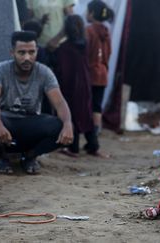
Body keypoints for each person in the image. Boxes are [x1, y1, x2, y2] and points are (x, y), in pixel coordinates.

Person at [0, 31, 73, 174]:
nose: (27, 58)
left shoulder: (44, 72)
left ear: (37, 52)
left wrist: (67, 125)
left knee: (61, 125)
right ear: (12, 53)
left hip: (31, 123)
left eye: (31, 52)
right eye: (21, 53)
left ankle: (29, 157)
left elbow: (59, 102)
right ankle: (3, 158)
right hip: (6, 124)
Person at [55, 15, 101, 157]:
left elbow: (60, 68)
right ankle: (93, 146)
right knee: (86, 113)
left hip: (69, 85)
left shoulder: (63, 48)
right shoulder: (85, 45)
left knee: (71, 113)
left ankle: (72, 147)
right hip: (85, 83)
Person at [86, 0, 114, 134]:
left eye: (87, 11)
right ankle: (95, 133)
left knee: (86, 104)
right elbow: (108, 52)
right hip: (102, 74)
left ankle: (88, 133)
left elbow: (86, 52)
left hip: (90, 73)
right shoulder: (106, 31)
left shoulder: (89, 30)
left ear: (91, 14)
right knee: (97, 106)